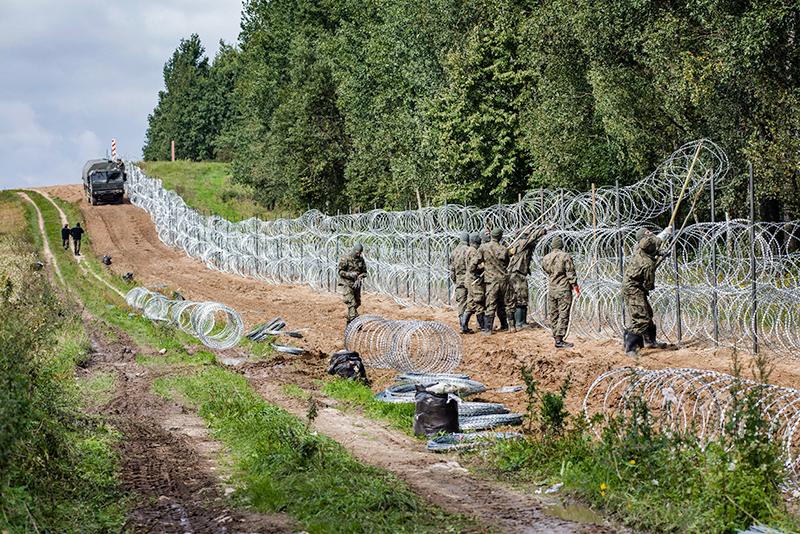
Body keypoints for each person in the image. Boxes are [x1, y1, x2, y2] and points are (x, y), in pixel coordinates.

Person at [622, 226, 672, 356]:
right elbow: (649, 284)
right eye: (647, 234)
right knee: (641, 317)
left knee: (647, 312)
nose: (650, 234)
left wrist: (660, 252)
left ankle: (649, 341)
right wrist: (664, 234)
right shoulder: (647, 264)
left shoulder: (638, 247)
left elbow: (650, 247)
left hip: (632, 286)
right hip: (633, 288)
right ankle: (630, 347)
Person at [469, 227, 515, 334]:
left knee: (491, 304)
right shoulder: (504, 249)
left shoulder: (484, 248)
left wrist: (475, 273)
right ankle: (512, 327)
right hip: (504, 279)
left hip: (491, 281)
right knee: (508, 303)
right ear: (500, 237)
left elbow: (473, 263)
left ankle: (488, 330)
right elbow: (506, 264)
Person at [541, 236, 579, 348]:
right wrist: (575, 287)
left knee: (554, 314)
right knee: (563, 313)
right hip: (563, 289)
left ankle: (555, 336)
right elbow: (570, 273)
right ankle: (559, 340)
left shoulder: (546, 258)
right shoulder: (565, 256)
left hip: (552, 289)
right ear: (561, 245)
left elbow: (545, 269)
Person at [508, 225, 548, 328]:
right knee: (521, 297)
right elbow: (532, 237)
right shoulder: (521, 243)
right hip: (517, 274)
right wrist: (544, 229)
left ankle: (520, 321)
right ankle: (520, 322)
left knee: (521, 297)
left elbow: (536, 240)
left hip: (518, 274)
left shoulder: (524, 244)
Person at [338, 242, 368, 324]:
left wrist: (361, 275)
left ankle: (349, 321)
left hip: (356, 284)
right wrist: (349, 274)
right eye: (357, 253)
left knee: (357, 303)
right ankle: (357, 322)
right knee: (351, 303)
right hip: (346, 283)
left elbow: (365, 272)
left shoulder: (361, 260)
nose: (358, 255)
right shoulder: (346, 258)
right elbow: (340, 271)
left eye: (360, 253)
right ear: (354, 250)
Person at [449, 232, 472, 333]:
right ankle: (477, 324)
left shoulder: (454, 252)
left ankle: (462, 326)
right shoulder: (470, 250)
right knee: (473, 302)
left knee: (461, 302)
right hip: (470, 279)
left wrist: (456, 281)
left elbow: (452, 271)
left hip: (459, 280)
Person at [464, 232, 484, 333]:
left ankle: (464, 326)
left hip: (469, 279)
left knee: (471, 302)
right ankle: (483, 326)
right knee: (478, 301)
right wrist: (484, 265)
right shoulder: (473, 251)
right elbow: (474, 266)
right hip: (473, 279)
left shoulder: (470, 249)